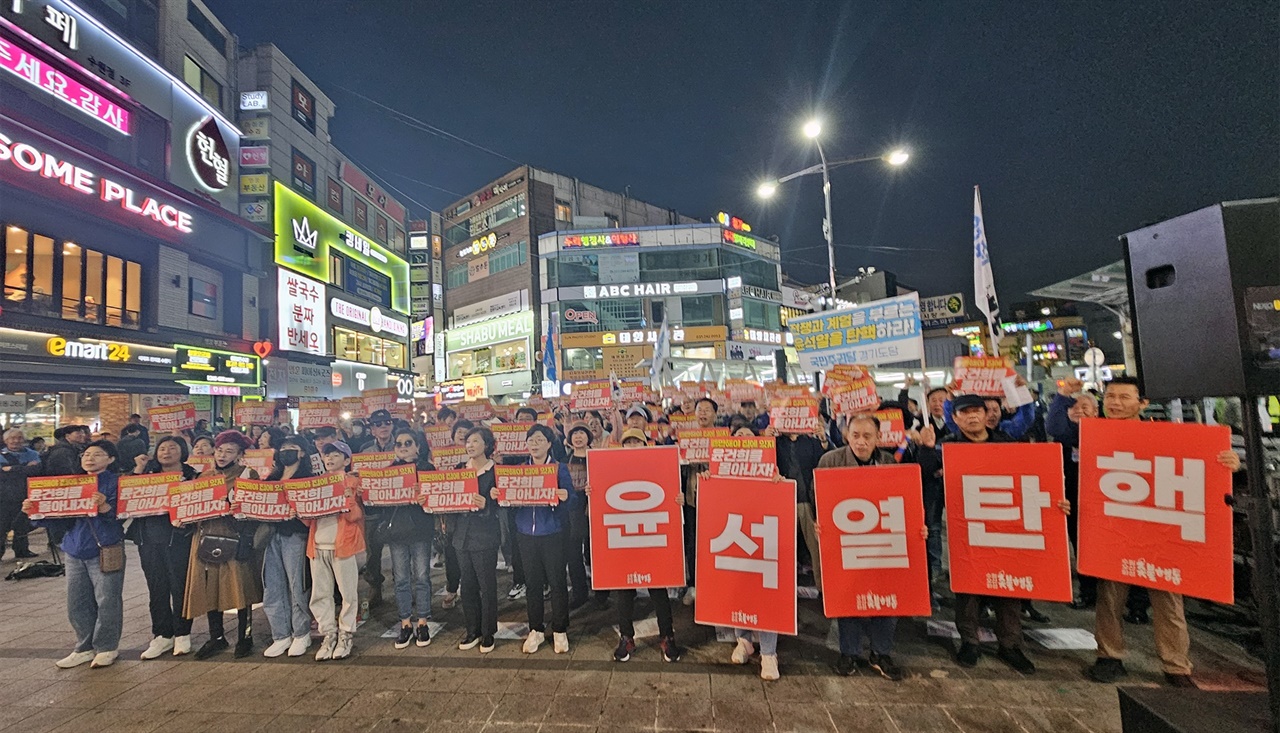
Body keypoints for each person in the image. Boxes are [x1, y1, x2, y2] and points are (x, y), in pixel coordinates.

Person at [1085, 377, 1240, 689]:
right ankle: (1109, 656)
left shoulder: (1167, 435)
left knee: (1169, 601)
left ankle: (1176, 666)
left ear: (1142, 403)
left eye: (1124, 397)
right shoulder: (1092, 434)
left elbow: (1201, 466)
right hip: (1113, 529)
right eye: (1110, 396)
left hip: (1160, 531)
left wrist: (1227, 464)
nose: (1114, 403)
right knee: (1109, 598)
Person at [918, 395, 1070, 675]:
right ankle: (969, 641)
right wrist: (927, 448)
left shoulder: (1007, 444)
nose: (973, 417)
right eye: (965, 412)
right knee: (968, 586)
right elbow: (924, 469)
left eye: (977, 411)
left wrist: (1055, 502)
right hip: (967, 526)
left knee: (1007, 585)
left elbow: (1033, 476)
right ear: (956, 418)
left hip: (1005, 524)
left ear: (987, 414)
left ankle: (1010, 643)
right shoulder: (948, 447)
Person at [819, 414, 931, 682]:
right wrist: (818, 523)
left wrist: (918, 528)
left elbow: (904, 503)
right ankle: (849, 651)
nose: (861, 442)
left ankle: (881, 653)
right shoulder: (830, 462)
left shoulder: (889, 463)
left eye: (867, 436)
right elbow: (818, 500)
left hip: (882, 544)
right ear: (847, 436)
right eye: (855, 436)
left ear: (878, 438)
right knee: (848, 595)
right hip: (846, 541)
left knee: (886, 594)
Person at [24, 440, 125, 668]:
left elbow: (125, 513)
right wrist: (35, 511)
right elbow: (56, 515)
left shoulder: (116, 482)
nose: (90, 458)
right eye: (87, 454)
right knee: (77, 602)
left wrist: (106, 508)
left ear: (110, 459)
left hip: (105, 547)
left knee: (107, 600)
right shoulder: (70, 483)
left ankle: (107, 647)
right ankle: (84, 646)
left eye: (98, 454)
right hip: (73, 548)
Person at [605, 427, 685, 663]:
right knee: (624, 591)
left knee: (658, 590)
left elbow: (671, 491)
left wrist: (677, 498)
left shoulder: (659, 466)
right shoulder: (612, 470)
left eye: (636, 442)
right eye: (627, 442)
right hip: (625, 537)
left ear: (646, 445)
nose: (632, 446)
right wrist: (594, 491)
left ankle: (667, 636)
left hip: (651, 535)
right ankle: (626, 637)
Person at [185, 430, 263, 660]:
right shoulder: (204, 476)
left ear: (240, 454)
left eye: (229, 451)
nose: (222, 455)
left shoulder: (248, 474)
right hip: (206, 535)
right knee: (210, 586)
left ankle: (245, 636)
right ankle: (216, 636)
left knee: (241, 587)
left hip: (234, 536)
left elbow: (254, 508)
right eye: (219, 450)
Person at [129, 436, 199, 659]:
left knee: (180, 586)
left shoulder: (192, 475)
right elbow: (127, 497)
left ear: (183, 452)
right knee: (156, 588)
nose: (166, 452)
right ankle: (162, 635)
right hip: (148, 539)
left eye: (172, 448)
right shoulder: (145, 475)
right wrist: (138, 470)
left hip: (179, 538)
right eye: (162, 448)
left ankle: (182, 633)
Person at [509, 424, 575, 654]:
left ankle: (560, 629)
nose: (534, 444)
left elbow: (572, 498)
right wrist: (499, 494)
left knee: (557, 583)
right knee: (533, 584)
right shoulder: (518, 471)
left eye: (539, 439)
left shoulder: (559, 469)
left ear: (549, 443)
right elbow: (509, 500)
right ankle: (535, 629)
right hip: (526, 534)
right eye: (530, 440)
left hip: (553, 534)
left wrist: (565, 496)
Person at [309, 441, 365, 661]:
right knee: (320, 593)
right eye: (326, 455)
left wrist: (348, 495)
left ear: (347, 460)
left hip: (343, 545)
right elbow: (307, 520)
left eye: (335, 455)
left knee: (348, 593)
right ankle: (328, 633)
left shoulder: (353, 482)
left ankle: (346, 634)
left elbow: (355, 516)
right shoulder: (315, 483)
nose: (329, 459)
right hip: (317, 545)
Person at [1046, 378, 1099, 608]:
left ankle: (1136, 603)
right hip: (1073, 501)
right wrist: (1063, 395)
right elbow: (1054, 426)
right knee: (1082, 548)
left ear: (1096, 412)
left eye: (1084, 408)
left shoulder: (1105, 432)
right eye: (1074, 408)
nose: (1078, 411)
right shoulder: (1065, 436)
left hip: (1104, 501)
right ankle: (1088, 594)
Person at [261, 435, 315, 658]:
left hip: (296, 535)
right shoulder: (270, 478)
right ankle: (280, 634)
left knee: (297, 584)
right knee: (272, 584)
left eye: (292, 448)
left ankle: (301, 632)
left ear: (302, 453)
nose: (286, 451)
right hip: (270, 536)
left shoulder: (308, 478)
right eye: (283, 448)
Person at [385, 428, 437, 650]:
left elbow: (437, 500)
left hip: (421, 531)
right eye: (399, 444)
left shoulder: (428, 469)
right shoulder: (388, 472)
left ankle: (423, 621)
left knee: (423, 576)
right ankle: (405, 622)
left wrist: (425, 494)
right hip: (397, 533)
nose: (403, 447)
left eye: (408, 443)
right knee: (402, 579)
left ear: (417, 446)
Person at [455, 426, 502, 653]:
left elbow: (506, 502)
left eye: (475, 441)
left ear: (486, 444)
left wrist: (489, 504)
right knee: (468, 586)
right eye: (467, 441)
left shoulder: (496, 472)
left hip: (485, 535)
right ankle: (472, 629)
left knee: (487, 585)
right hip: (461, 536)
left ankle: (488, 631)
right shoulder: (458, 470)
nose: (470, 445)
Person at [768, 423, 829, 588]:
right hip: (782, 502)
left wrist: (823, 438)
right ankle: (783, 589)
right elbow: (764, 462)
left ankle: (823, 588)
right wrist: (766, 440)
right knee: (782, 549)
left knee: (817, 548)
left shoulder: (810, 441)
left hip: (807, 501)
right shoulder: (775, 441)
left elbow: (824, 460)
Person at [680, 398, 718, 606]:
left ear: (715, 414)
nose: (702, 413)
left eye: (707, 410)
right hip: (692, 499)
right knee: (692, 543)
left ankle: (714, 582)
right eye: (699, 410)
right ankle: (694, 584)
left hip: (716, 501)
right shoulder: (687, 440)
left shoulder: (724, 438)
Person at [361, 409, 397, 607]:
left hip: (396, 508)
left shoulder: (401, 444)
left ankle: (402, 585)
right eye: (378, 424)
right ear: (372, 429)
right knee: (373, 553)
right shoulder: (365, 450)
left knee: (399, 550)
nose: (383, 426)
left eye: (387, 422)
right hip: (373, 510)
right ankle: (375, 585)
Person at [563, 422, 592, 609]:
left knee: (593, 553)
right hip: (571, 511)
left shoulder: (596, 457)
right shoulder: (564, 460)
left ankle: (602, 592)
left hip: (591, 509)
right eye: (574, 433)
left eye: (582, 432)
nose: (578, 436)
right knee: (573, 553)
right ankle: (580, 592)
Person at [1, 428, 41, 559]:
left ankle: (22, 550)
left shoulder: (33, 454)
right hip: (4, 497)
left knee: (22, 525)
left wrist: (12, 469)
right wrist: (25, 467)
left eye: (19, 438)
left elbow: (37, 470)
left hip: (25, 495)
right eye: (12, 438)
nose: (16, 441)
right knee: (2, 525)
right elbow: (2, 474)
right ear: (5, 440)